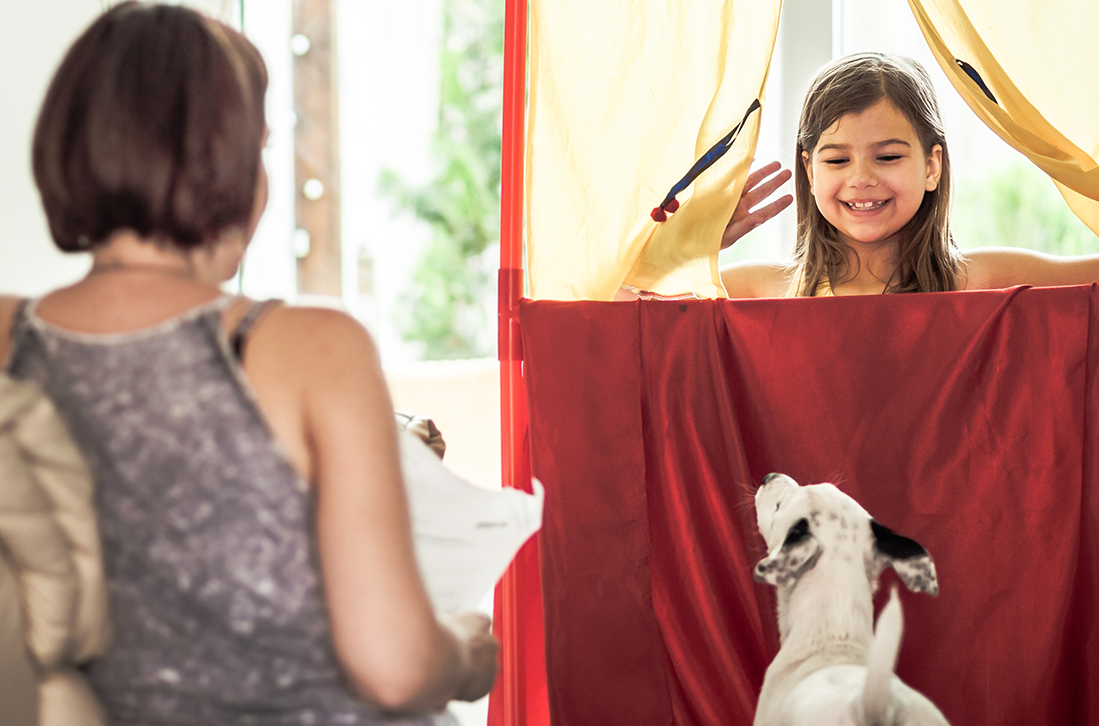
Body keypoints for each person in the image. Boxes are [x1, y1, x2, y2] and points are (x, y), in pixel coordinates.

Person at [0, 3, 496, 724]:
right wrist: (462, 651)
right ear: (226, 161)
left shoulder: (10, 337)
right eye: (259, 146)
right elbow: (394, 670)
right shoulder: (311, 346)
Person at [719, 52, 1099, 298]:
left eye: (887, 157)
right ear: (810, 172)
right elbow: (659, 320)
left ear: (932, 166)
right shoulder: (763, 289)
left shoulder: (979, 280)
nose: (861, 178)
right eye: (837, 161)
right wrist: (695, 245)